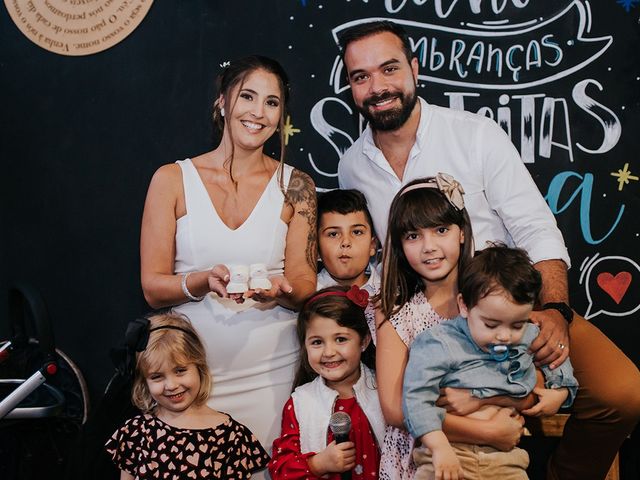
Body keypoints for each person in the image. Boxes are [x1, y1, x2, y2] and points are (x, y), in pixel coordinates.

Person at [337, 20, 640, 479]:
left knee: (622, 393)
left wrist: (554, 309)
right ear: (351, 86)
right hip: (427, 324)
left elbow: (536, 228)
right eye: (361, 77)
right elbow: (376, 258)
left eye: (389, 69)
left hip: (512, 307)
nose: (377, 87)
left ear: (415, 69)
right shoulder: (351, 166)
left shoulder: (474, 134)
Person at [139, 55, 318, 466]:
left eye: (272, 103)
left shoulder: (299, 186)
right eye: (248, 96)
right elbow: (152, 286)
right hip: (190, 378)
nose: (258, 112)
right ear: (222, 102)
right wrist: (201, 281)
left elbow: (305, 282)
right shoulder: (171, 179)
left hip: (273, 376)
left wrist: (281, 291)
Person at [373, 175, 527, 479]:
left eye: (441, 230)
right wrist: (485, 431)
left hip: (495, 463)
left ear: (461, 232)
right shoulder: (396, 312)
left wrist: (491, 403)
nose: (429, 247)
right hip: (421, 459)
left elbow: (522, 380)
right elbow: (395, 410)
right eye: (413, 236)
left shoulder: (492, 302)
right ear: (400, 245)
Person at [403, 246, 579, 480]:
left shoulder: (529, 334)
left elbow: (557, 357)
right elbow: (416, 400)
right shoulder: (438, 343)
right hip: (449, 455)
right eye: (491, 324)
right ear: (464, 306)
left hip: (506, 460)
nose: (504, 336)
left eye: (517, 325)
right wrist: (439, 447)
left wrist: (561, 392)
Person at [105, 313, 270, 479]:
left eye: (180, 371)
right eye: (157, 376)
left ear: (199, 367)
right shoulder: (136, 432)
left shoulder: (232, 436)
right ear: (144, 382)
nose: (171, 385)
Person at [269, 286, 385, 479]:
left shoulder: (384, 389)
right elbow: (281, 470)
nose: (329, 352)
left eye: (340, 339)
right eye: (317, 342)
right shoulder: (300, 403)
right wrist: (318, 464)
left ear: (364, 341)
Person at [316, 189, 379, 294]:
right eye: (333, 234)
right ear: (316, 249)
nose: (345, 242)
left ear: (372, 245)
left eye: (357, 232)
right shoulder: (301, 299)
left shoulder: (396, 297)